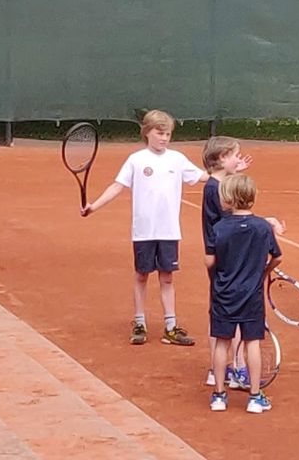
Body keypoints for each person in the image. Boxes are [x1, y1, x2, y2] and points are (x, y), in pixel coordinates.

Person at [82, 109, 208, 346]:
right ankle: (139, 323)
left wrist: (228, 172)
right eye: (160, 133)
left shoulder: (177, 159)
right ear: (147, 132)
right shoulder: (136, 160)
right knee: (141, 275)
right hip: (143, 231)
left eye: (168, 134)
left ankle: (170, 327)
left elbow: (204, 177)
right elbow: (117, 186)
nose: (164, 138)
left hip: (169, 231)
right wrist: (94, 206)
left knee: (167, 278)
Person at [205, 174, 282, 413]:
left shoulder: (218, 228)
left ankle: (219, 395)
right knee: (252, 343)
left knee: (221, 343)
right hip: (252, 295)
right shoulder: (263, 227)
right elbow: (277, 257)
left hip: (223, 294)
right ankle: (255, 397)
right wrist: (263, 272)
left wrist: (218, 277)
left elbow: (209, 261)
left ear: (228, 199)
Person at [201, 136, 250, 387]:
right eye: (235, 156)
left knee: (221, 314)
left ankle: (218, 368)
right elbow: (234, 218)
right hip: (226, 260)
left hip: (223, 258)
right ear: (222, 158)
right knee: (234, 315)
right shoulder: (215, 189)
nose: (238, 159)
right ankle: (238, 367)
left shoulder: (217, 185)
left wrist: (235, 173)